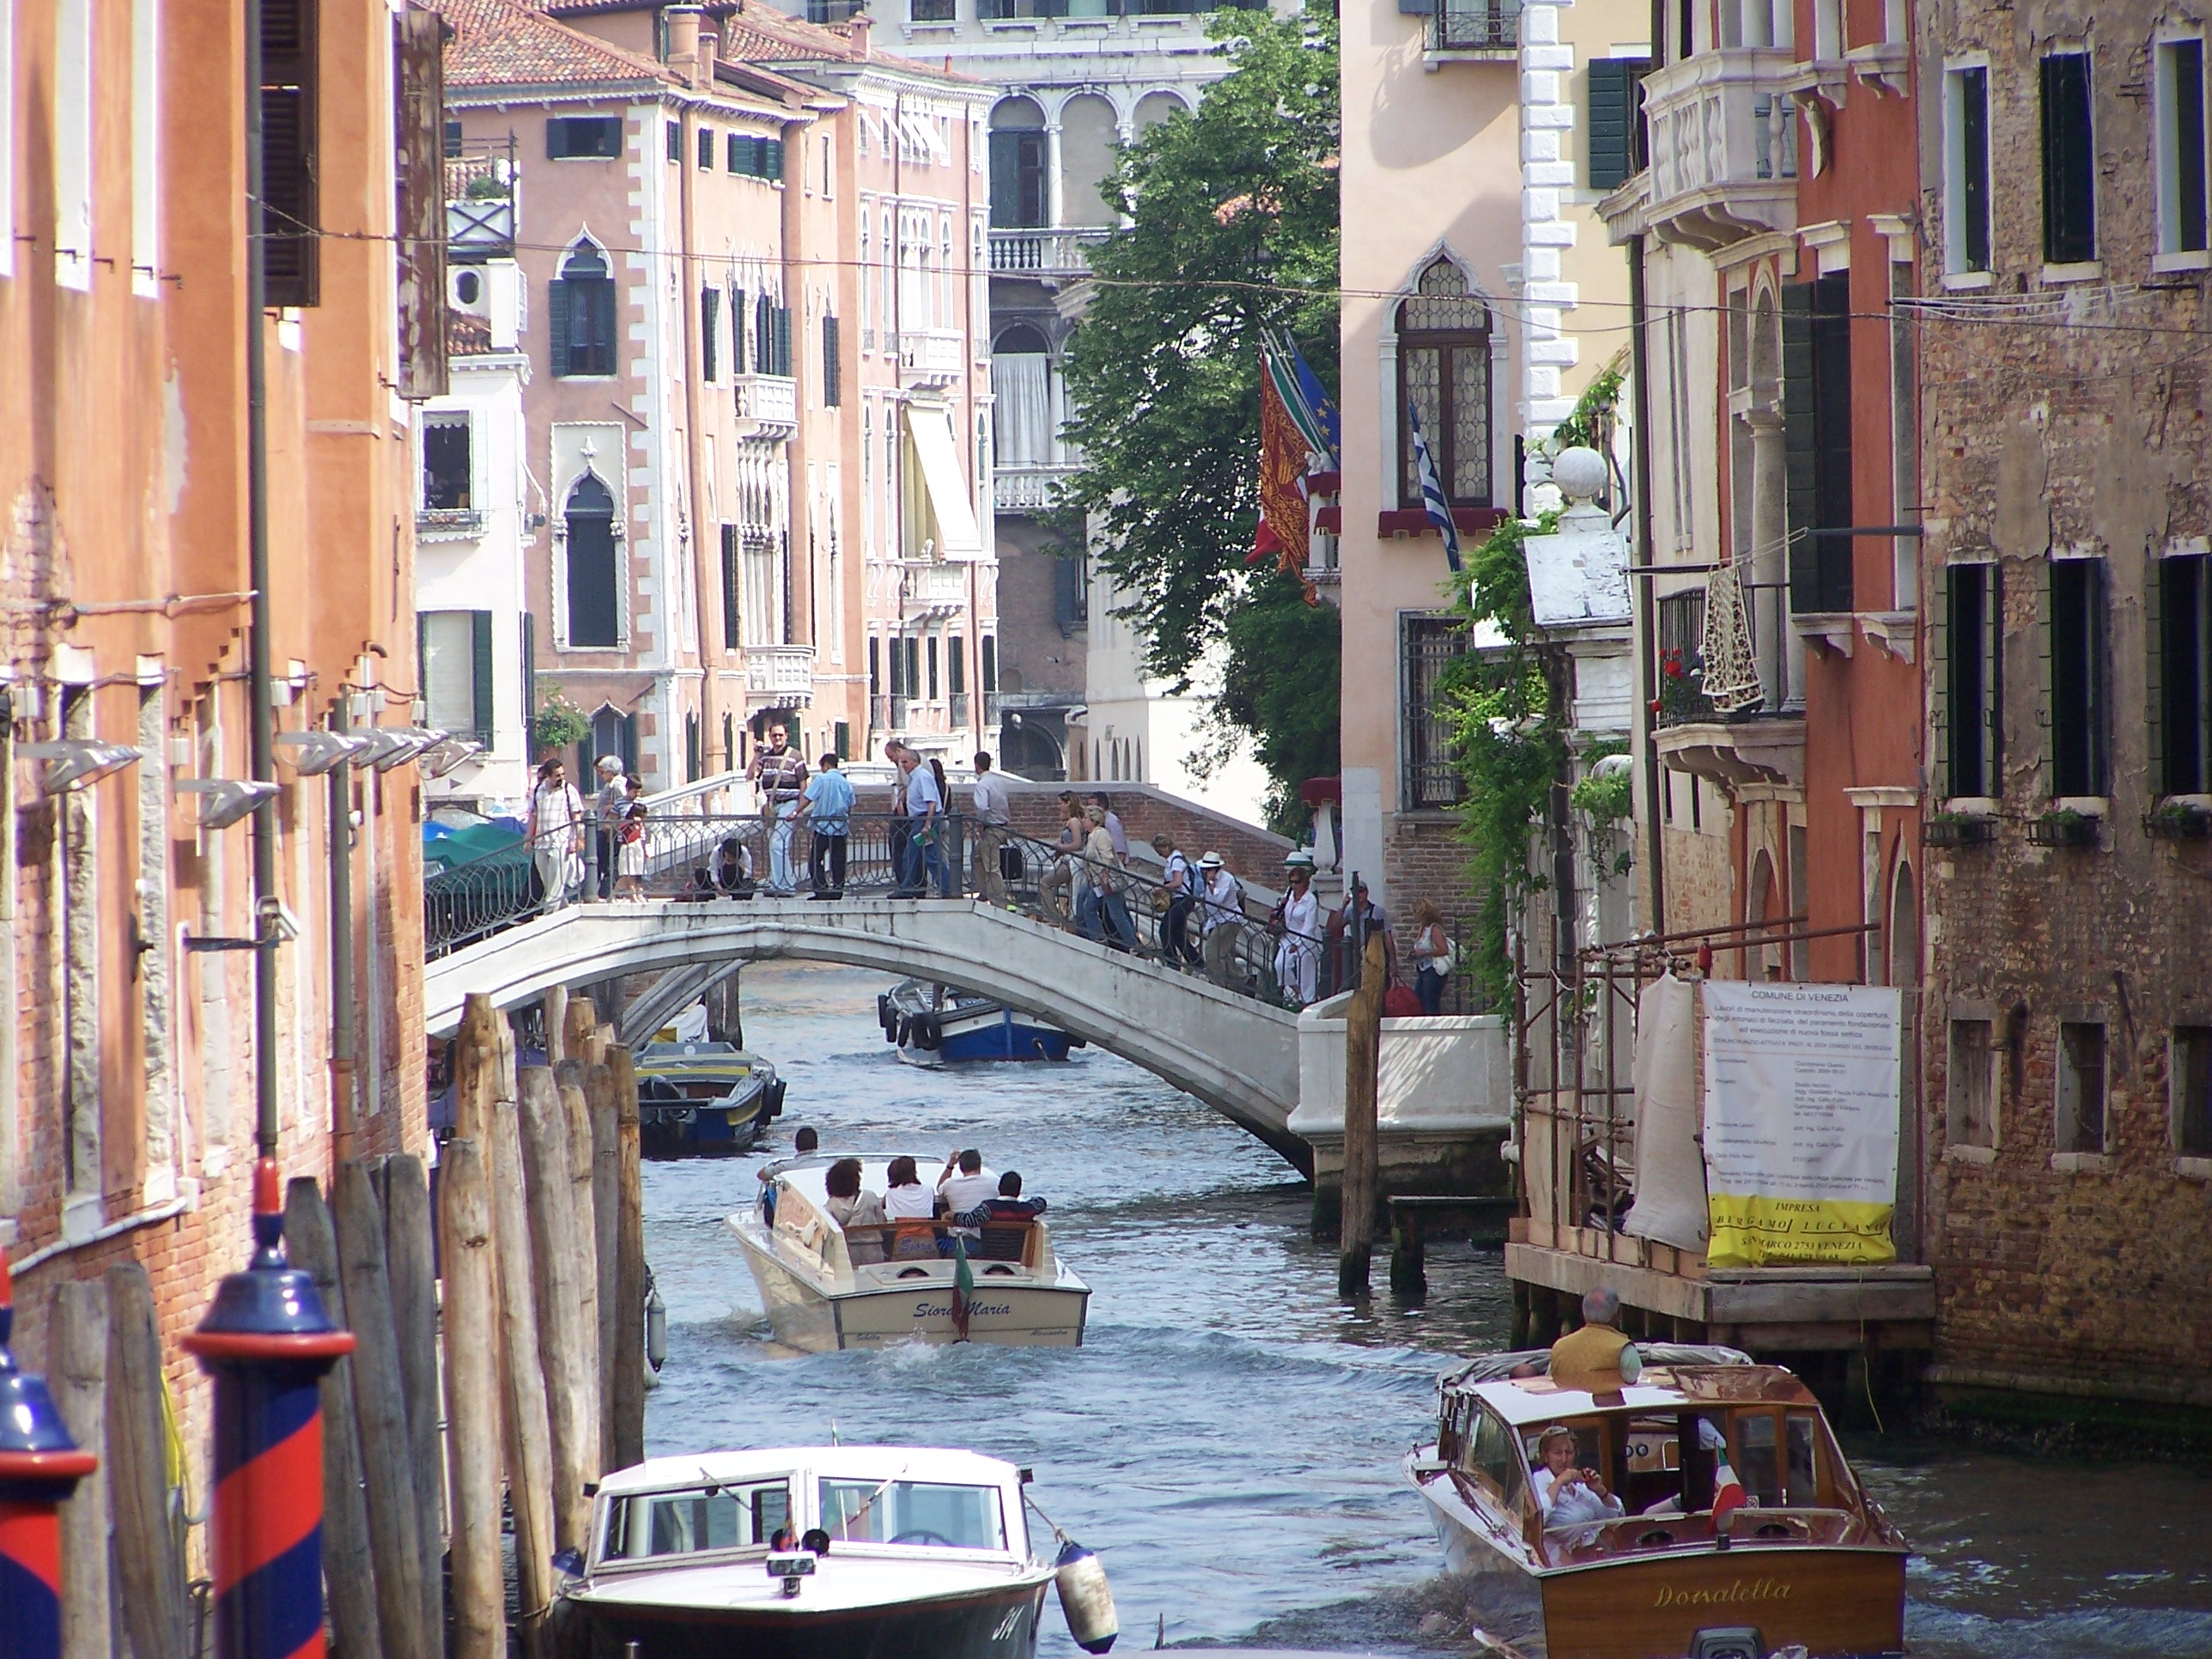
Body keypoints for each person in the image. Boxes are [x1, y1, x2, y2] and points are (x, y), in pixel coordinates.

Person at [749, 720, 809, 896]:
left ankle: (784, 885)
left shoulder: (795, 756)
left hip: (790, 804)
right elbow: (750, 775)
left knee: (777, 843)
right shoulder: (765, 758)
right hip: (772, 806)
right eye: (774, 735)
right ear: (770, 737)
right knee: (776, 845)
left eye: (780, 735)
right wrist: (756, 756)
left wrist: (799, 809)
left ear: (786, 736)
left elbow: (803, 783)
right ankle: (784, 883)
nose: (777, 738)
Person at [1531, 1425, 1623, 1539]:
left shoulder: (1578, 1487)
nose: (1564, 1459)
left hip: (1595, 1550)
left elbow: (1616, 1519)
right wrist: (1559, 1482)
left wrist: (1601, 1491)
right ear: (1545, 1456)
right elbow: (1536, 1520)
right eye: (1558, 1453)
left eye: (1569, 1453)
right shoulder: (1536, 1481)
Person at [525, 757, 586, 912]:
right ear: (548, 776)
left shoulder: (568, 790)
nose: (561, 778)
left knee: (556, 883)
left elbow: (576, 816)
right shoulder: (539, 790)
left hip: (561, 842)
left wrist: (576, 838)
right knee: (549, 882)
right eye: (557, 775)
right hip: (541, 842)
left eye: (563, 774)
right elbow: (533, 815)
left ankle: (549, 915)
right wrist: (528, 838)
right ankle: (564, 909)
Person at [1547, 1286, 1634, 1394]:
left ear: (1584, 1314)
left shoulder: (1559, 1346)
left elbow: (1550, 1380)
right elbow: (1634, 1383)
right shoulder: (1624, 1348)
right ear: (1617, 1314)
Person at [1324, 875, 1397, 998]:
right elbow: (1336, 925)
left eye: (1361, 891)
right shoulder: (1350, 912)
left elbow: (1388, 937)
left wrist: (1393, 961)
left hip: (1376, 953)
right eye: (1355, 892)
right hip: (1357, 954)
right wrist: (1343, 906)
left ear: (1366, 893)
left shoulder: (1378, 911)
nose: (1358, 895)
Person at [954, 1170, 1048, 1261]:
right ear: (1019, 1192)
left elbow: (969, 1221)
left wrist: (952, 1216)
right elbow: (1041, 1202)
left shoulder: (989, 1207)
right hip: (1016, 1257)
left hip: (989, 1255)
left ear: (999, 1188)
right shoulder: (1026, 1210)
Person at [797, 751, 854, 899]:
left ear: (826, 765)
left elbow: (808, 798)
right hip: (840, 827)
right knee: (838, 860)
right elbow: (850, 805)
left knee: (815, 860)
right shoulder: (845, 782)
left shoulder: (821, 779)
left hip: (822, 826)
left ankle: (821, 890)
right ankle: (837, 890)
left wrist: (795, 812)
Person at [1079, 805, 1135, 951]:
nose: (1083, 821)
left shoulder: (1101, 834)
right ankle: (1098, 938)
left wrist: (1105, 878)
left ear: (1094, 820)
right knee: (1088, 908)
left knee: (1116, 913)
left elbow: (1107, 857)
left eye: (1085, 818)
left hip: (1106, 881)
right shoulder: (1091, 836)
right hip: (1097, 882)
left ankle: (1134, 945)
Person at [1272, 853, 1322, 1006]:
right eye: (1292, 882)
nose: (1294, 886)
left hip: (1307, 938)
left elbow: (1309, 926)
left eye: (1297, 882)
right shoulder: (1289, 896)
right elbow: (1282, 914)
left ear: (1305, 883)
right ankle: (1296, 991)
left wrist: (1299, 943)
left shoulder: (1311, 901)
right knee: (1280, 965)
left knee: (1305, 968)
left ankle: (1307, 1000)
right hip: (1288, 936)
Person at [896, 748, 947, 896]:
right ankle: (947, 888)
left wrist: (927, 825)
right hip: (922, 819)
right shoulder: (915, 777)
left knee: (912, 854)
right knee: (930, 856)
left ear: (915, 761)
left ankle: (907, 888)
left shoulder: (922, 777)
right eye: (901, 762)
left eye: (905, 762)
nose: (903, 765)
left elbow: (931, 803)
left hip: (924, 820)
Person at [822, 1157, 889, 1265]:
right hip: (873, 1252)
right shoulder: (869, 1196)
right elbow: (883, 1224)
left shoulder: (830, 1205)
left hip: (847, 1255)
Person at [970, 751, 1012, 903]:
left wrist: (980, 825)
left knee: (991, 866)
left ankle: (998, 900)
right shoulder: (999, 782)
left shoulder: (982, 784)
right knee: (977, 856)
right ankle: (984, 891)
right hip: (1001, 825)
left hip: (991, 827)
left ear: (977, 765)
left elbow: (982, 807)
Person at [1154, 834, 1200, 968]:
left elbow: (1177, 882)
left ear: (1166, 847)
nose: (1159, 854)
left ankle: (1172, 962)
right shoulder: (1173, 860)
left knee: (1165, 929)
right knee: (1178, 935)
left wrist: (1161, 888)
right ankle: (1197, 963)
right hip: (1179, 899)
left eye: (1160, 850)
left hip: (1182, 899)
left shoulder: (1176, 860)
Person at [935, 1149, 999, 1242]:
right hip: (986, 1240)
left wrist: (950, 1166)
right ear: (980, 1165)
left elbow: (940, 1187)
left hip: (957, 1239)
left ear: (960, 1167)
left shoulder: (950, 1185)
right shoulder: (995, 1183)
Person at [591, 752, 627, 901]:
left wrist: (611, 808)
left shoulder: (617, 785)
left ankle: (605, 891)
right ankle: (604, 890)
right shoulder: (611, 784)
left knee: (605, 860)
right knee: (602, 859)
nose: (601, 775)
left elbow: (626, 802)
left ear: (610, 771)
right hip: (603, 826)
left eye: (603, 772)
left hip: (608, 828)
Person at [1408, 898, 1453, 1016]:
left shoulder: (1434, 928)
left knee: (1430, 1004)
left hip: (1433, 970)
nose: (1413, 915)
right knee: (1420, 999)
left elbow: (1443, 949)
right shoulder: (1422, 929)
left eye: (1415, 911)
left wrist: (1425, 952)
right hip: (1423, 970)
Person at [614, 788, 648, 901]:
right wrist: (632, 822)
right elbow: (623, 831)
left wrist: (645, 851)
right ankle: (614, 895)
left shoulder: (640, 825)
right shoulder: (626, 823)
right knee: (627, 875)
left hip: (636, 849)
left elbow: (640, 837)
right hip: (628, 849)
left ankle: (633, 896)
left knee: (634, 874)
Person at [1091, 791, 1128, 860]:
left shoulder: (1111, 822)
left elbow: (1120, 850)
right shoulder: (1097, 821)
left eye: (1092, 807)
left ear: (1102, 806)